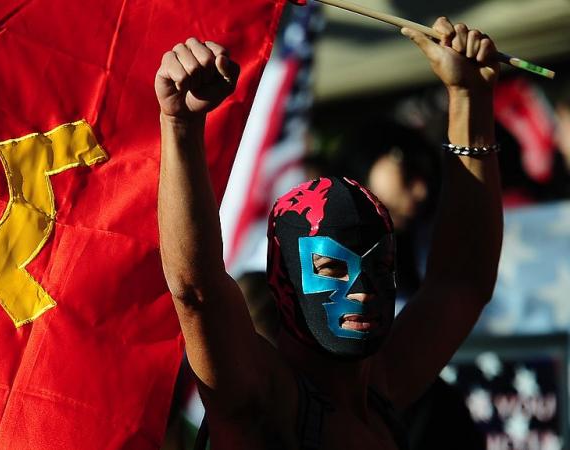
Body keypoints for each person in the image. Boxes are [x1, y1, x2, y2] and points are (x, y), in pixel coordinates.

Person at [156, 16, 503, 450]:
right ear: (286, 278)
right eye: (332, 267)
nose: (361, 289)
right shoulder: (262, 399)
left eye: (379, 265)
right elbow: (197, 291)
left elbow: (462, 280)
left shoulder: (382, 388)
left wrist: (470, 97)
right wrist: (181, 128)